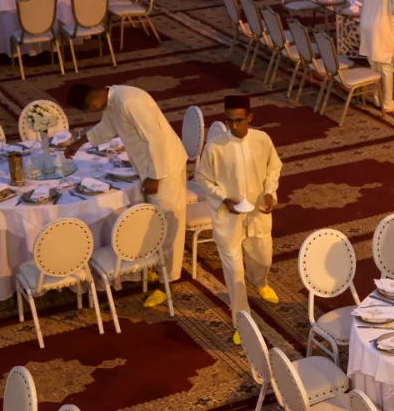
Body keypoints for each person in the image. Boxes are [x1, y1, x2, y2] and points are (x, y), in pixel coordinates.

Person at [65, 84, 188, 307]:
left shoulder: (129, 102)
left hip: (166, 169)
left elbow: (157, 139)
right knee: (153, 221)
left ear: (92, 103)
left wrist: (155, 176)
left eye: (89, 109)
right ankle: (157, 265)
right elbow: (106, 128)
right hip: (149, 167)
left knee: (168, 225)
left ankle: (168, 282)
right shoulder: (112, 101)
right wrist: (78, 144)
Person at [194, 95, 282, 324]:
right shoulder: (215, 147)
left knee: (263, 260)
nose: (233, 126)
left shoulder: (262, 140)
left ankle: (259, 282)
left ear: (249, 118)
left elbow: (274, 168)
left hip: (257, 214)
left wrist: (270, 192)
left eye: (239, 120)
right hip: (228, 217)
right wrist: (223, 199)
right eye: (229, 120)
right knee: (234, 274)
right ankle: (241, 321)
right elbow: (202, 178)